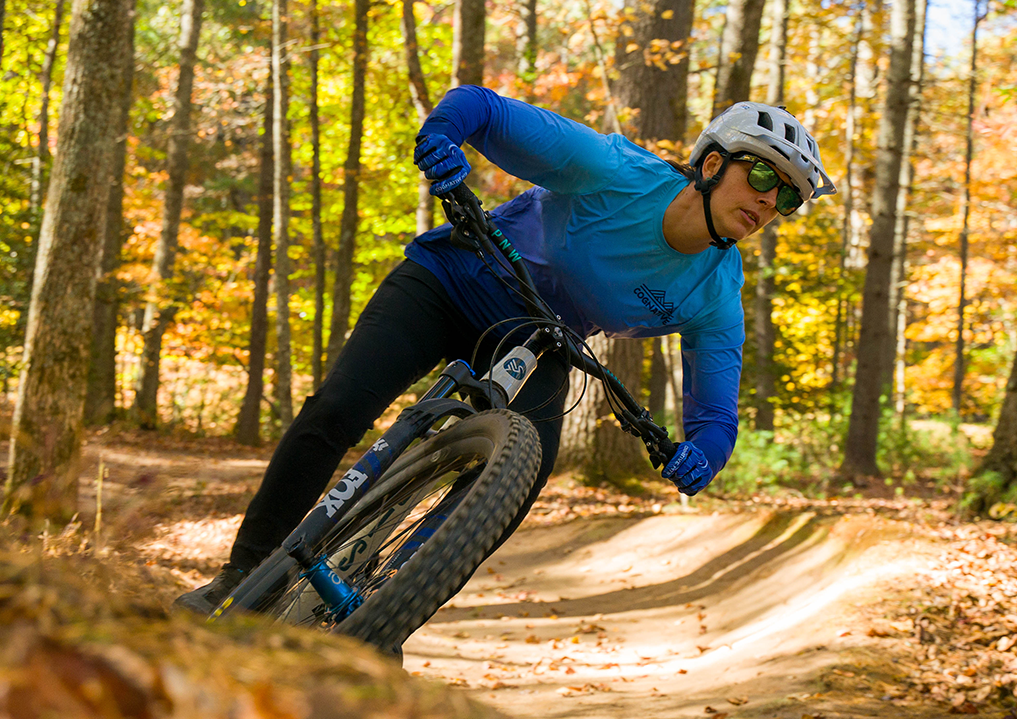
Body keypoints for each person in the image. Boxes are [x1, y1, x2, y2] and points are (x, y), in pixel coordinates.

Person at [174, 86, 835, 615]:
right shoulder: (616, 171)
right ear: (714, 163)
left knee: (519, 481)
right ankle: (238, 577)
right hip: (458, 277)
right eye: (762, 177)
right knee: (337, 409)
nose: (769, 203)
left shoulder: (717, 292)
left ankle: (382, 606)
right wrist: (440, 137)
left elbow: (717, 417)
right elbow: (480, 110)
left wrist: (704, 454)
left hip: (541, 340)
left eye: (787, 200)